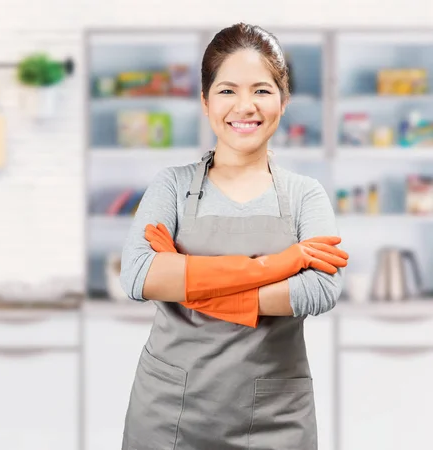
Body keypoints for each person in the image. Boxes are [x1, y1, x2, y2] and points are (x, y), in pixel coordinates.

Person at [118, 23, 349, 450]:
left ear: (283, 102)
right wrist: (277, 264)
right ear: (205, 102)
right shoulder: (171, 186)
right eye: (227, 91)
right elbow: (138, 276)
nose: (245, 106)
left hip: (276, 415)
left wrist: (189, 285)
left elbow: (321, 286)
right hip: (170, 411)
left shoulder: (304, 194)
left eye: (261, 90)